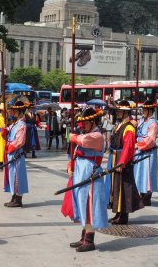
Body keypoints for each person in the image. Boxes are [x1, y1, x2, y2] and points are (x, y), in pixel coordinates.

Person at [65, 107, 107, 252]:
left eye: (86, 123)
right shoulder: (88, 133)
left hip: (91, 176)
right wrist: (71, 165)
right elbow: (77, 152)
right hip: (81, 174)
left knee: (89, 207)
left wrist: (72, 136)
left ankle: (89, 240)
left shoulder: (97, 136)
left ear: (93, 121)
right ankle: (84, 236)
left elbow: (82, 141)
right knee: (83, 205)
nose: (83, 126)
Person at [105, 100, 144, 224]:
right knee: (116, 187)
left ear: (125, 112)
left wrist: (122, 162)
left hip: (123, 161)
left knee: (124, 187)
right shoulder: (120, 124)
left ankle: (123, 216)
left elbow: (128, 147)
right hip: (116, 158)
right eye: (118, 110)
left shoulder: (128, 127)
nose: (118, 112)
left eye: (120, 111)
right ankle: (118, 213)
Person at [134, 100, 158, 206]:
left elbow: (150, 140)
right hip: (139, 150)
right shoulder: (141, 120)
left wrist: (138, 145)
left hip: (148, 151)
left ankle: (146, 197)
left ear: (150, 111)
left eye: (145, 110)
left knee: (147, 173)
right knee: (138, 172)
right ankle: (140, 193)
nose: (143, 111)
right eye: (143, 109)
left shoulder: (153, 123)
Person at [3, 100, 28, 208]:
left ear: (21, 111)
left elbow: (19, 141)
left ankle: (18, 199)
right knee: (12, 175)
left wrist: (10, 147)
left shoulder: (22, 125)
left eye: (16, 111)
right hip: (11, 152)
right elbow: (8, 131)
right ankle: (14, 197)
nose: (13, 112)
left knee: (18, 176)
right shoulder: (15, 123)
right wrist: (5, 129)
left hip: (16, 153)